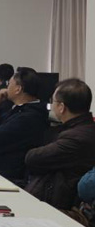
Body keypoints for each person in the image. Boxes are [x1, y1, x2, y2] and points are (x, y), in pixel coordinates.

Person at [24, 79, 95, 209]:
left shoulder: (76, 137)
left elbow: (33, 158)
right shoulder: (82, 128)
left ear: (61, 107)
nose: (51, 106)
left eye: (53, 102)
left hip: (63, 205)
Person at [0, 67, 49, 183]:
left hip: (3, 173)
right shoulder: (17, 109)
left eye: (9, 84)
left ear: (18, 89)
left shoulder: (28, 117)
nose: (6, 88)